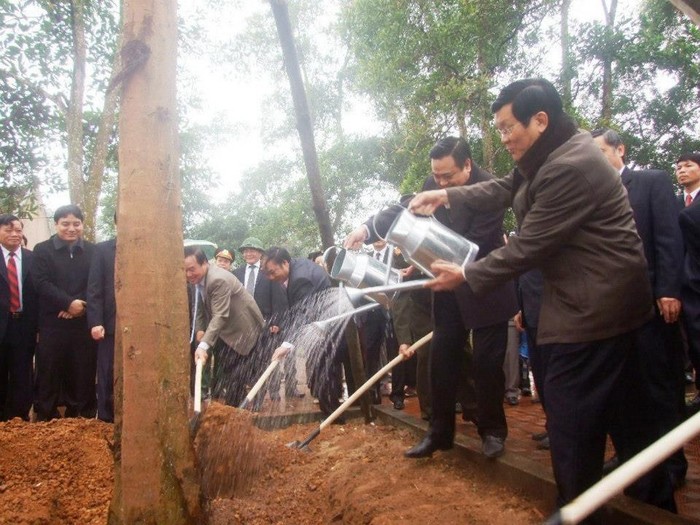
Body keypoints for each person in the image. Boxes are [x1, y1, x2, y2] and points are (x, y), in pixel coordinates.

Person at [408, 79, 675, 516]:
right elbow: (502, 187)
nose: (504, 137)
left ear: (540, 120)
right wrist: (446, 193)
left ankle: (578, 508)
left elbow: (529, 245)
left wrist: (467, 274)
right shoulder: (547, 153)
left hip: (595, 308)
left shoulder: (569, 165)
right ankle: (651, 502)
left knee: (570, 420)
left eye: (507, 127)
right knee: (630, 417)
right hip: (604, 304)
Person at [345, 136, 519, 459]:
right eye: (436, 177)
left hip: (486, 285)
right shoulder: (432, 182)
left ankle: (493, 431)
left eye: (447, 177)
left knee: (486, 364)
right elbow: (402, 208)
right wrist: (366, 230)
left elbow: (475, 244)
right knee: (441, 358)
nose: (439, 183)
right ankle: (439, 433)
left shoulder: (490, 189)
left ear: (467, 166)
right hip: (447, 288)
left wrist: (431, 255)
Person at [592, 128, 687, 487]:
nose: (595, 158)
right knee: (622, 390)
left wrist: (667, 290)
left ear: (620, 150)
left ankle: (672, 465)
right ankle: (631, 457)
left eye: (600, 150)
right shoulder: (588, 194)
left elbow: (667, 238)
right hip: (608, 314)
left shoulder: (650, 182)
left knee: (659, 388)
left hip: (652, 308)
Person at [32, 205, 96, 421]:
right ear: (56, 224)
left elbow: (95, 284)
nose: (71, 228)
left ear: (82, 225)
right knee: (49, 370)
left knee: (82, 370)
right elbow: (40, 283)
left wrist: (80, 306)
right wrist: (68, 303)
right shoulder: (42, 250)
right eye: (65, 224)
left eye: (76, 224)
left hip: (82, 322)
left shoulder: (92, 251)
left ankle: (80, 415)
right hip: (52, 322)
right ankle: (45, 416)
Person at [265, 246, 344, 418]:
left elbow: (305, 312)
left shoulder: (300, 278)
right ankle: (331, 413)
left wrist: (287, 344)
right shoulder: (296, 265)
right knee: (322, 372)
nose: (271, 278)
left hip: (328, 325)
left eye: (273, 272)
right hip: (321, 323)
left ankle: (334, 418)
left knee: (322, 371)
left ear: (284, 263)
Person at [186, 246, 264, 406]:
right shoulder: (198, 279)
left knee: (240, 374)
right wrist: (201, 329)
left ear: (204, 263)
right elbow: (200, 306)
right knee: (229, 374)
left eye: (192, 269)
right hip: (225, 331)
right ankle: (236, 408)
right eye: (185, 270)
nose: (188, 274)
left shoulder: (217, 279)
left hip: (243, 330)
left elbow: (220, 315)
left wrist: (203, 346)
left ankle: (246, 414)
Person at [234, 237, 300, 401]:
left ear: (260, 253)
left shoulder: (268, 272)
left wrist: (277, 321)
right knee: (248, 359)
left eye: (253, 250)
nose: (249, 253)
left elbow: (279, 298)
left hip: (267, 323)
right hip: (243, 324)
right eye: (246, 250)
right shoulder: (237, 274)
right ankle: (254, 394)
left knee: (270, 357)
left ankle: (275, 391)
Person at [0, 214, 38, 421]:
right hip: (1, 323)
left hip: (24, 325)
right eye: (8, 230)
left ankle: (19, 419)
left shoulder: (33, 259)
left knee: (22, 373)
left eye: (18, 230)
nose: (14, 234)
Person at [676, 152, 700, 412]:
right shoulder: (673, 202)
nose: (682, 171)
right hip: (680, 285)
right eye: (679, 167)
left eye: (688, 166)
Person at [86, 235, 116, 422]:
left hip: (140, 327)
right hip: (109, 324)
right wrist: (96, 321)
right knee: (107, 372)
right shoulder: (103, 250)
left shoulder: (149, 248)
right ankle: (106, 419)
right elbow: (94, 288)